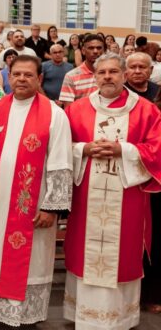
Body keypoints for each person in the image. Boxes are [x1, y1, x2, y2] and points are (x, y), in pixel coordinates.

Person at [0, 55, 73, 327]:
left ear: (40, 78)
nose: (22, 79)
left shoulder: (54, 114)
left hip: (33, 206)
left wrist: (51, 207)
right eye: (17, 74)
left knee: (30, 261)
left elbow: (61, 161)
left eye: (28, 75)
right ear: (8, 76)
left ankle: (23, 316)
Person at [64, 52, 161, 330]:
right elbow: (59, 149)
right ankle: (83, 314)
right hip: (86, 199)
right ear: (94, 76)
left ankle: (120, 317)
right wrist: (83, 149)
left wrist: (124, 150)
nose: (107, 77)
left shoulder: (146, 110)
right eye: (102, 72)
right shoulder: (77, 109)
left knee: (123, 253)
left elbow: (157, 150)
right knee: (84, 249)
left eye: (113, 72)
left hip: (128, 198)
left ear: (124, 75)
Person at [59, 33, 106, 108]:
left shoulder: (110, 75)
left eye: (99, 48)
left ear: (104, 51)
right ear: (83, 51)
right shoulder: (71, 76)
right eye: (91, 48)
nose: (95, 51)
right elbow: (68, 109)